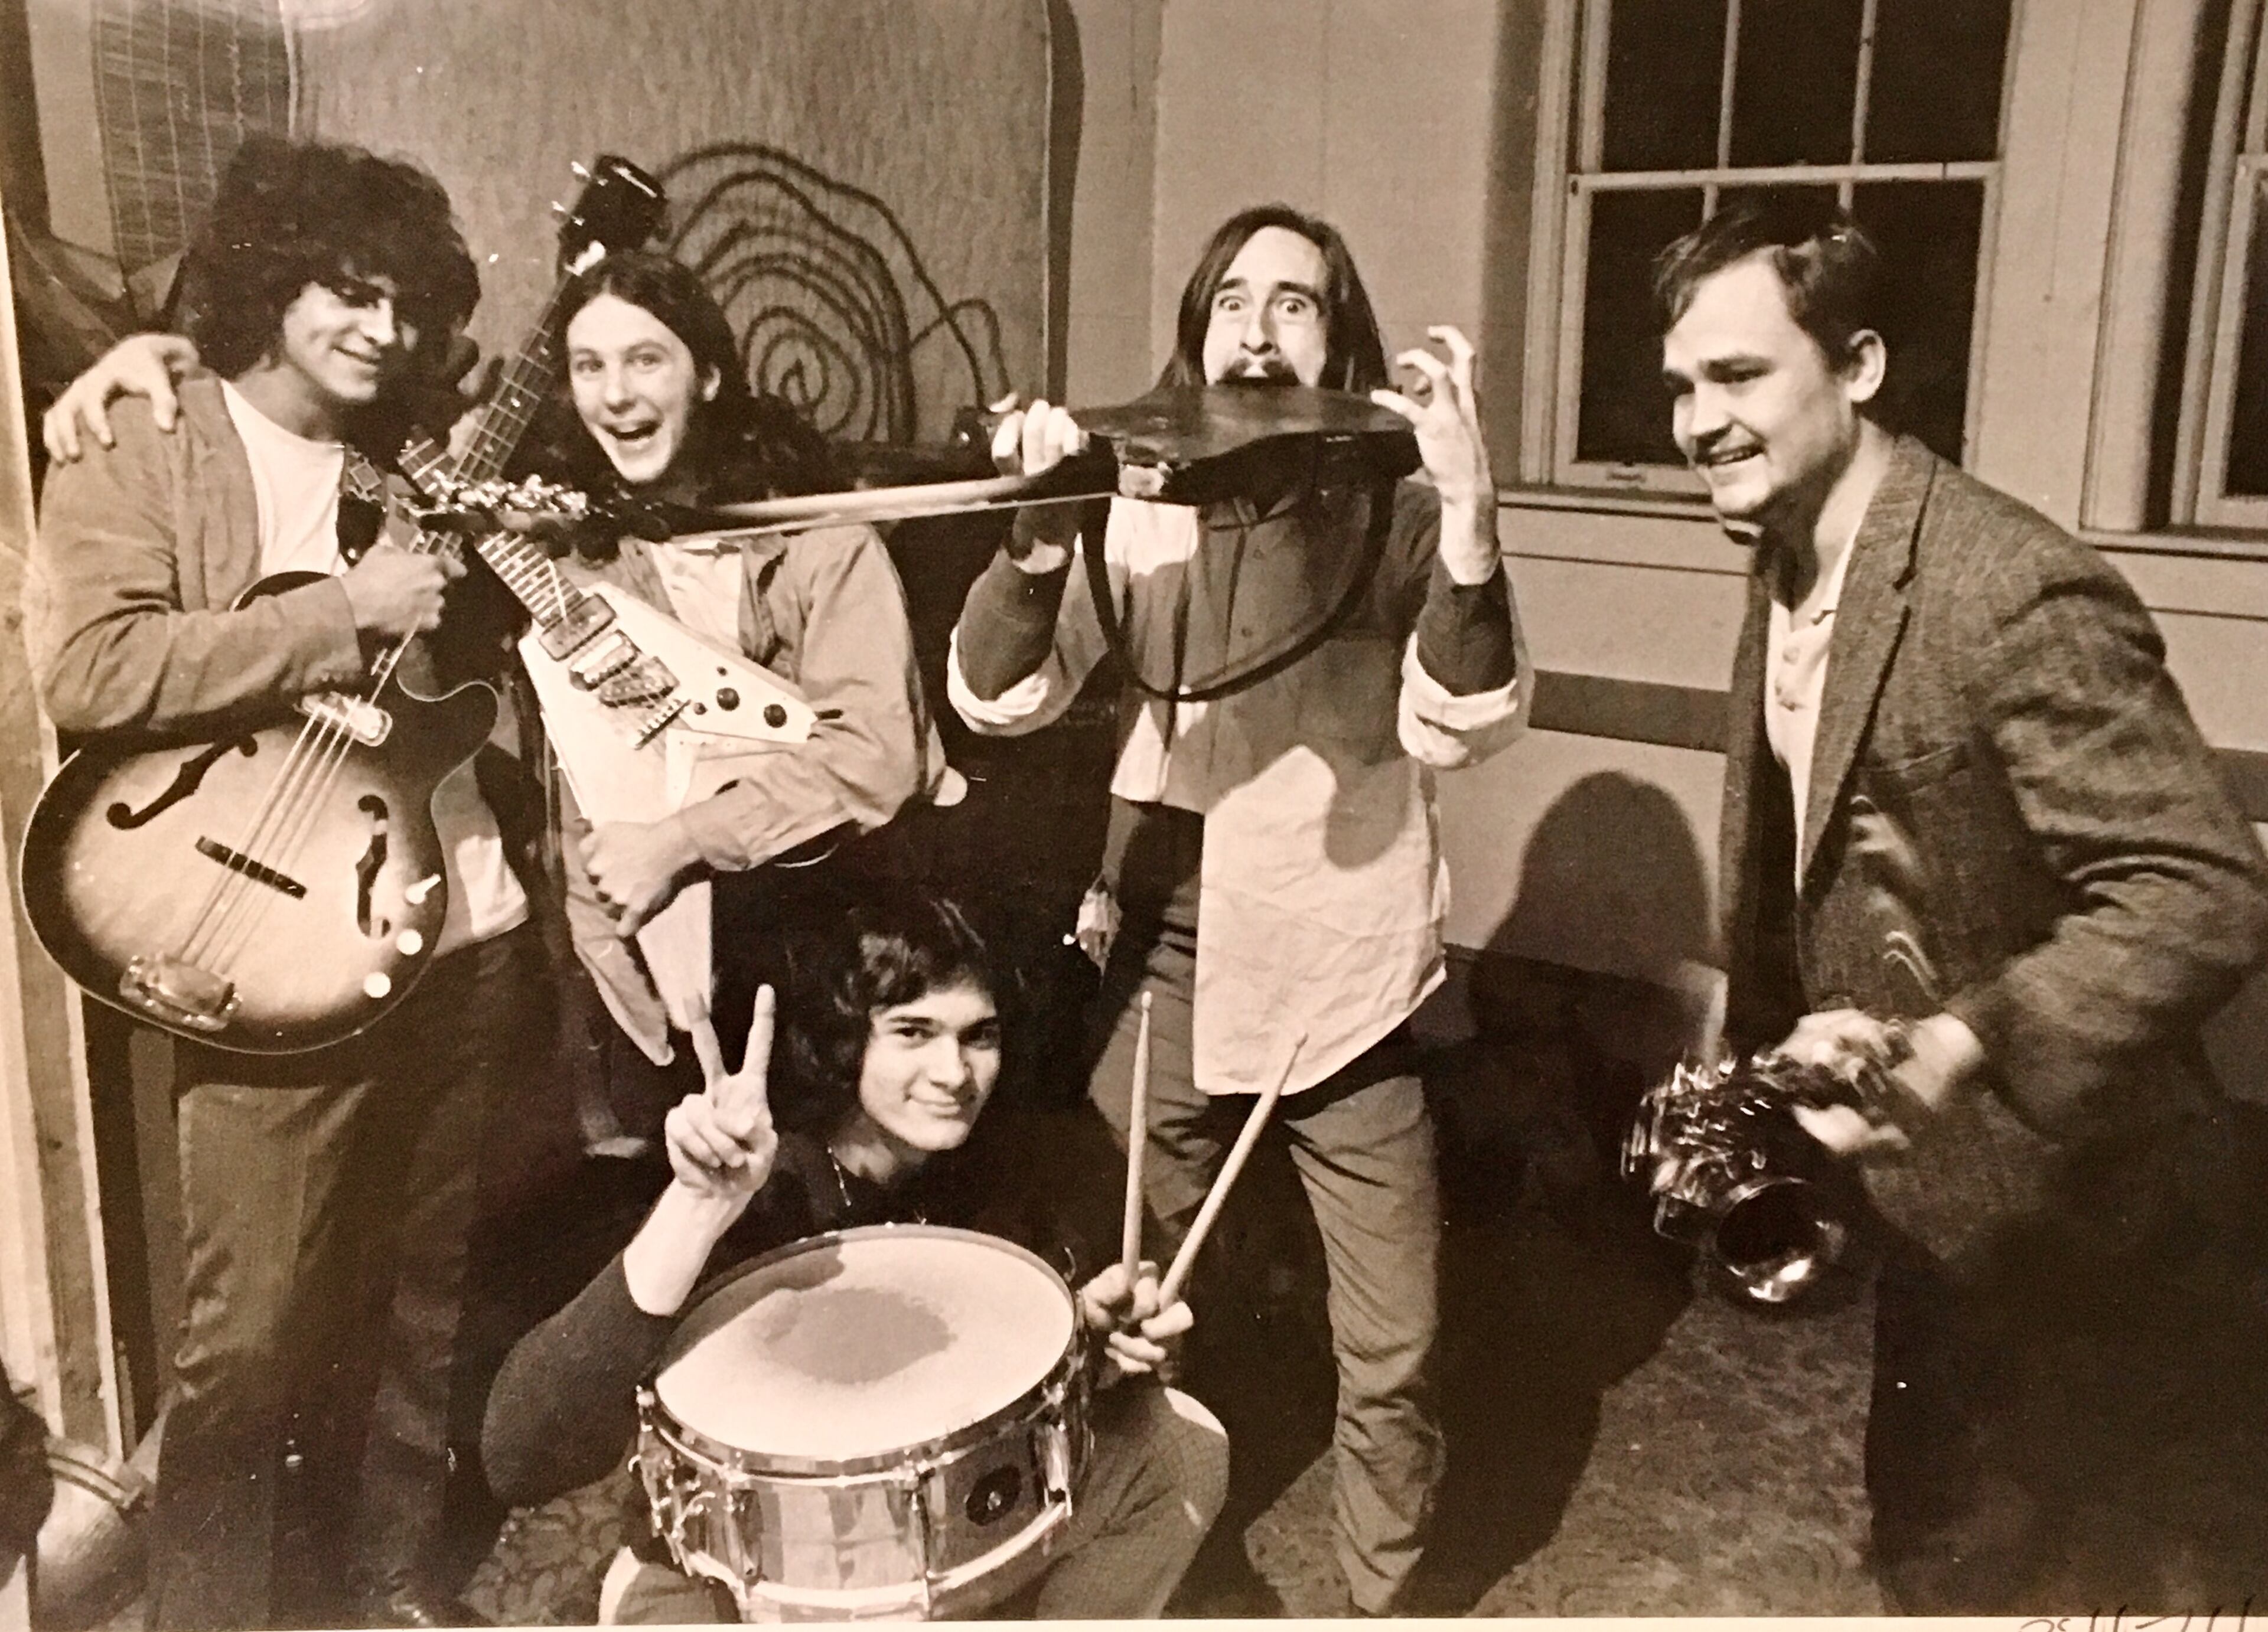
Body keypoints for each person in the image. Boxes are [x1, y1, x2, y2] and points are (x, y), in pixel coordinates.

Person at [1656, 195, 2268, 1610]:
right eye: (1679, 384)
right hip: (1944, 1211)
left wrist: (1954, 1041)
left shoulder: (2008, 585)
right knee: (1930, 1529)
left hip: (2094, 1221)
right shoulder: (1792, 551)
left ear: (1857, 365)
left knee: (2045, 1569)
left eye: (1736, 375)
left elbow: (2203, 886)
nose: (1695, 418)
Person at [946, 203, 1530, 1614]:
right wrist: (1033, 539)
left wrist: (1465, 514)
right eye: (1234, 301)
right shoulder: (1135, 502)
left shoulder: (1391, 504)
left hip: (1345, 959)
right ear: (1197, 332)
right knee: (1126, 1308)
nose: (1260, 329)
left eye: (1297, 303)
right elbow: (996, 693)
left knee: (1392, 1340)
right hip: (1163, 949)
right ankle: (1144, 1564)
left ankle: (1378, 1594)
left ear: (1341, 342)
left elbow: (1462, 718)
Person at [26, 136, 549, 1628]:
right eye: (347, 291)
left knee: (416, 1309)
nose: (380, 332)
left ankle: (388, 1584)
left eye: (406, 305)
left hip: (446, 924)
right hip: (258, 938)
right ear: (274, 279)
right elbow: (96, 665)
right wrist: (344, 609)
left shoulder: (416, 455)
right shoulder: (147, 433)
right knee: (247, 1338)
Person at [45, 249, 953, 1103]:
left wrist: (680, 839)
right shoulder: (563, 544)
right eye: (589, 367)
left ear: (709, 376)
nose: (618, 395)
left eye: (647, 361)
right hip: (619, 977)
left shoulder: (821, 541)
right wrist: (149, 358)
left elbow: (876, 754)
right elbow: (345, 391)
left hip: (814, 956)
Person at [480, 887, 1230, 1622]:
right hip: (736, 1586)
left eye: (979, 1035)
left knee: (1179, 1447)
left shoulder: (997, 1172)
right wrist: (697, 1206)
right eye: (912, 1031)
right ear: (846, 1038)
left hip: (925, 1549)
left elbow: (989, 1403)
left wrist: (1087, 1343)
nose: (954, 1073)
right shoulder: (763, 1189)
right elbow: (520, 1455)